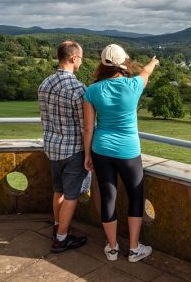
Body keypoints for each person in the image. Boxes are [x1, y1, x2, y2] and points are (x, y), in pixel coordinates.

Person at [83, 44, 159, 262]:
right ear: (124, 62)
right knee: (136, 196)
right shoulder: (133, 85)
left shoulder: (92, 90)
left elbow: (88, 128)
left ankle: (113, 248)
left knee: (109, 197)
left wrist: (87, 155)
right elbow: (146, 72)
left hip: (101, 150)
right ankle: (134, 249)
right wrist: (153, 62)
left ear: (103, 64)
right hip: (128, 151)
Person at [38, 40, 88, 253]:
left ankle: (59, 227)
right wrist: (89, 154)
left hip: (52, 148)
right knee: (71, 196)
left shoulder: (44, 84)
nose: (81, 62)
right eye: (81, 58)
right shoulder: (78, 89)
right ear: (73, 58)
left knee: (57, 190)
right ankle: (61, 239)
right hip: (73, 150)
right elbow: (85, 126)